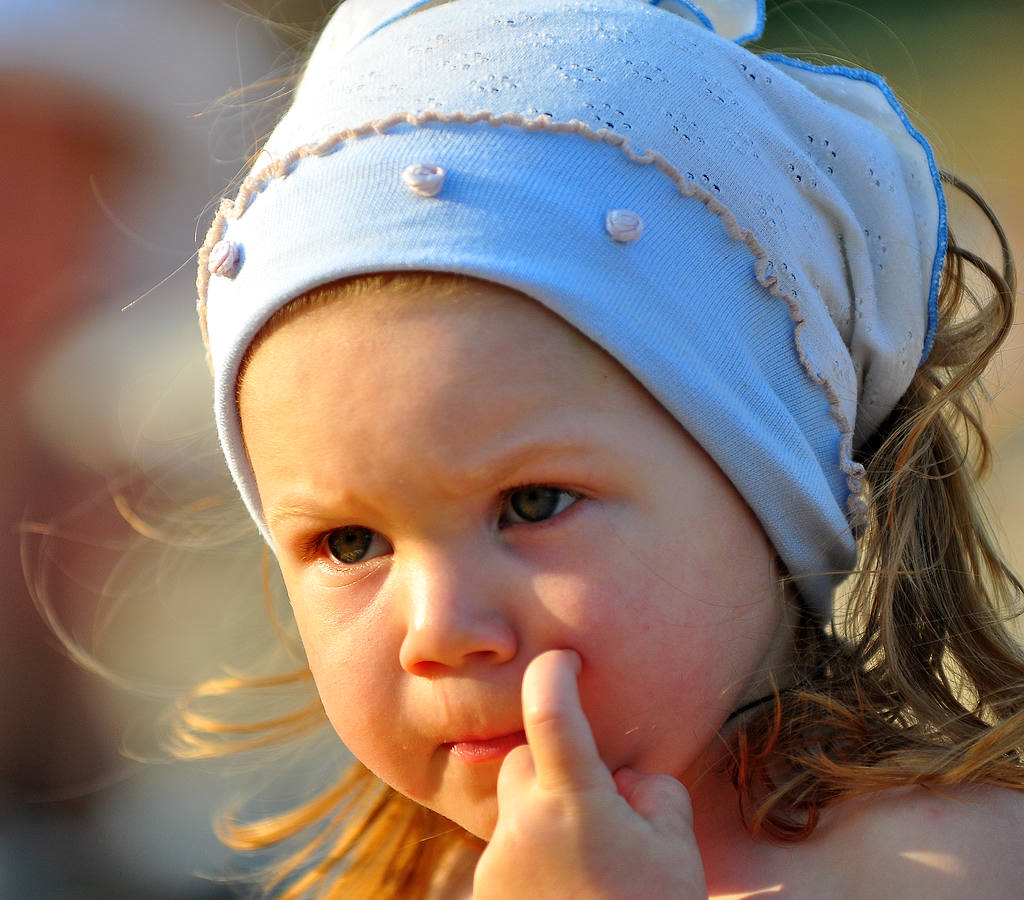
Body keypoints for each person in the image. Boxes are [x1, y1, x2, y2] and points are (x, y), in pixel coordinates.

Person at [184, 0, 1024, 896]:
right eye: (351, 544)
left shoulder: (948, 865)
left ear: (771, 486)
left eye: (532, 504)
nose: (440, 631)